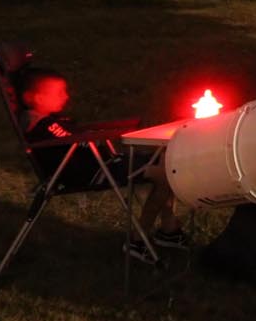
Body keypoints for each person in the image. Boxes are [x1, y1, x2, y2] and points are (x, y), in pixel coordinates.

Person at [14, 66, 187, 262]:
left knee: (169, 159)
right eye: (59, 92)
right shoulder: (43, 126)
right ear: (36, 98)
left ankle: (168, 231)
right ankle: (138, 241)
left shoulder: (54, 120)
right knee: (166, 173)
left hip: (105, 164)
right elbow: (72, 142)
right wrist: (99, 136)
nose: (66, 96)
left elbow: (76, 136)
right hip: (92, 172)